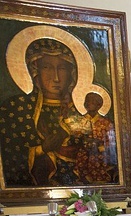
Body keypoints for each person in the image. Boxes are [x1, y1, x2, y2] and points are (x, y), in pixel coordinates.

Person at [0, 38, 86, 187]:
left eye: (62, 69)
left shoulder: (80, 111)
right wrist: (42, 149)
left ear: (72, 73)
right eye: (47, 67)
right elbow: (9, 156)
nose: (56, 77)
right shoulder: (16, 108)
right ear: (35, 71)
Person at [76, 92, 117, 184]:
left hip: (101, 156)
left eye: (91, 102)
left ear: (98, 105)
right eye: (86, 101)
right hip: (84, 155)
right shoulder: (80, 121)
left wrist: (101, 146)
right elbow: (76, 138)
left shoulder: (106, 123)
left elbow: (111, 141)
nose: (87, 104)